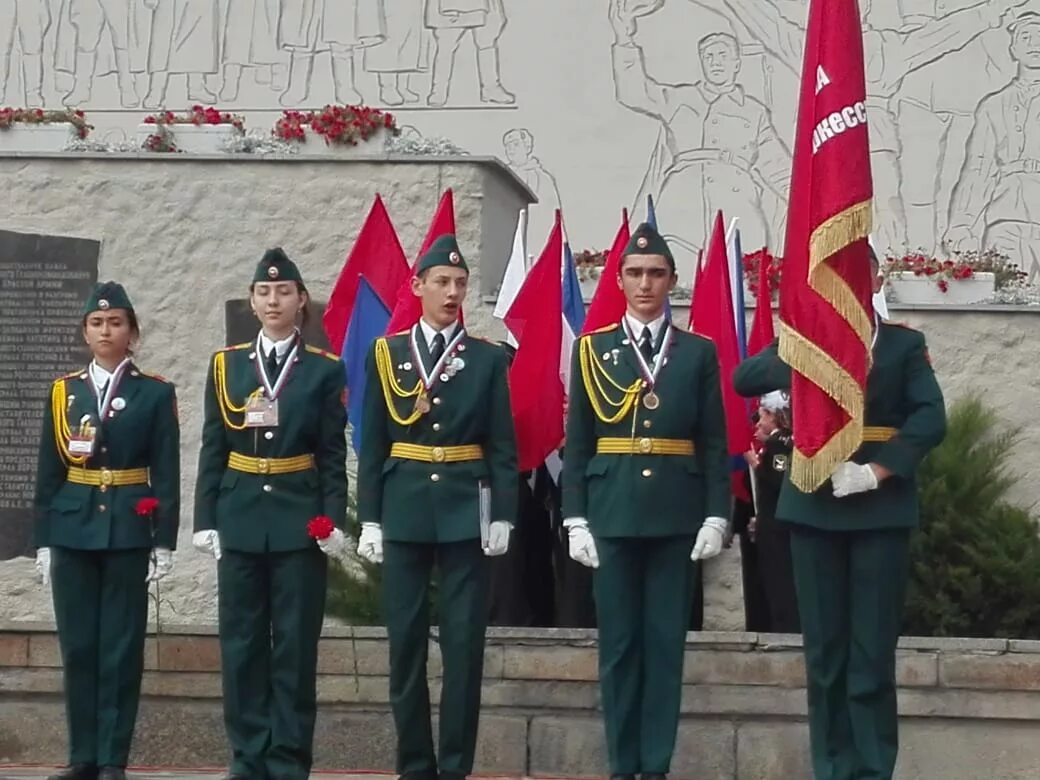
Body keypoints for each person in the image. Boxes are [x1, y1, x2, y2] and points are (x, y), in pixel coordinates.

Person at [732, 248, 946, 779]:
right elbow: (745, 380)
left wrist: (878, 471)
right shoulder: (806, 343)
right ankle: (830, 769)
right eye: (836, 272)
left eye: (859, 271)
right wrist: (798, 336)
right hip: (813, 506)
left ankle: (873, 771)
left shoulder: (901, 344)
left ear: (876, 278)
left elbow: (930, 418)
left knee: (871, 655)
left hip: (879, 510)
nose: (848, 282)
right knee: (824, 658)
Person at [561, 221, 730, 780]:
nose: (644, 284)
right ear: (619, 279)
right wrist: (575, 517)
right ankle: (621, 764)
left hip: (677, 517)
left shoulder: (697, 352)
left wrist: (716, 513)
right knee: (618, 648)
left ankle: (654, 765)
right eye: (634, 273)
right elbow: (579, 442)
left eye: (656, 273)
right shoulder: (593, 349)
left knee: (665, 648)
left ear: (672, 281)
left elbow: (712, 439)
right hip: (611, 514)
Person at [357, 234, 518, 780]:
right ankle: (415, 766)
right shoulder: (388, 354)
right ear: (418, 287)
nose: (452, 293)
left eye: (460, 284)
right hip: (404, 509)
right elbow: (373, 443)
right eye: (442, 283)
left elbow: (501, 445)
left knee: (463, 648)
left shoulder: (487, 359)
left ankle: (454, 767)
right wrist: (372, 518)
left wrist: (502, 513)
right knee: (405, 647)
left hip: (462, 511)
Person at [193, 248, 348, 780]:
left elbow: (331, 451)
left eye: (284, 292)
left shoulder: (324, 369)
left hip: (298, 518)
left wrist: (332, 520)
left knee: (295, 647)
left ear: (301, 301)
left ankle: (288, 759)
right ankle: (248, 755)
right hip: (239, 515)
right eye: (264, 292)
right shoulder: (227, 364)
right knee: (240, 645)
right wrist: (205, 519)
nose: (274, 300)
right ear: (253, 302)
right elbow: (213, 445)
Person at [34, 282, 180, 780]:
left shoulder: (155, 392)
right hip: (73, 527)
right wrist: (44, 540)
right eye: (96, 323)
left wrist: (163, 539)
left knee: (120, 647)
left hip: (127, 526)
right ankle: (82, 756)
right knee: (78, 646)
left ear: (132, 332)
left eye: (115, 322)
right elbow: (48, 471)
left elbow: (166, 469)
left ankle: (114, 757)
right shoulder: (63, 391)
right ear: (84, 331)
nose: (105, 330)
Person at [749, 391, 799, 634]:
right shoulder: (783, 442)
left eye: (763, 415)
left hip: (778, 529)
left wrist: (755, 463)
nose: (758, 423)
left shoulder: (778, 444)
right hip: (773, 525)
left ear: (774, 416)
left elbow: (780, 481)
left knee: (781, 587)